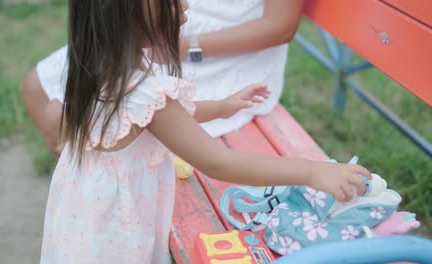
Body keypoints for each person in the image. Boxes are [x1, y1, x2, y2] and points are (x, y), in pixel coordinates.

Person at [40, 0, 372, 263]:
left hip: (80, 226)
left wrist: (221, 106)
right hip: (116, 237)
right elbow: (218, 163)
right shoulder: (144, 91)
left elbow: (159, 117)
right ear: (128, 12)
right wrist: (313, 171)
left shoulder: (96, 69)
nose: (185, 6)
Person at [23, 0, 303, 155]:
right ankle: (87, 192)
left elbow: (279, 27)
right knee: (38, 88)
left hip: (218, 51)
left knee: (75, 115)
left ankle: (102, 197)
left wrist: (177, 46)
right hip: (148, 27)